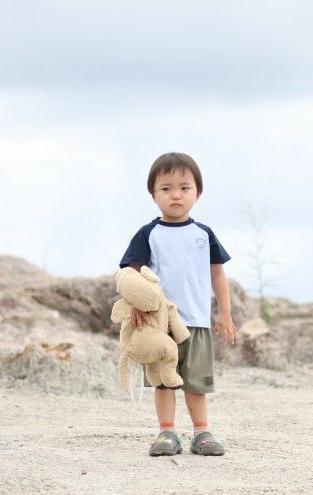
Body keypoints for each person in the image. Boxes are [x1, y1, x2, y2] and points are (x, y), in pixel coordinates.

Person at [119, 152, 236, 456]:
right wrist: (135, 305)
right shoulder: (149, 234)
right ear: (153, 195)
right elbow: (131, 274)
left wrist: (225, 312)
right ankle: (167, 432)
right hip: (160, 326)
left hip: (196, 322)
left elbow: (218, 273)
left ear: (198, 193)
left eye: (184, 188)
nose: (175, 195)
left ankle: (202, 433)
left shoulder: (203, 234)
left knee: (196, 384)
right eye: (166, 188)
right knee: (164, 382)